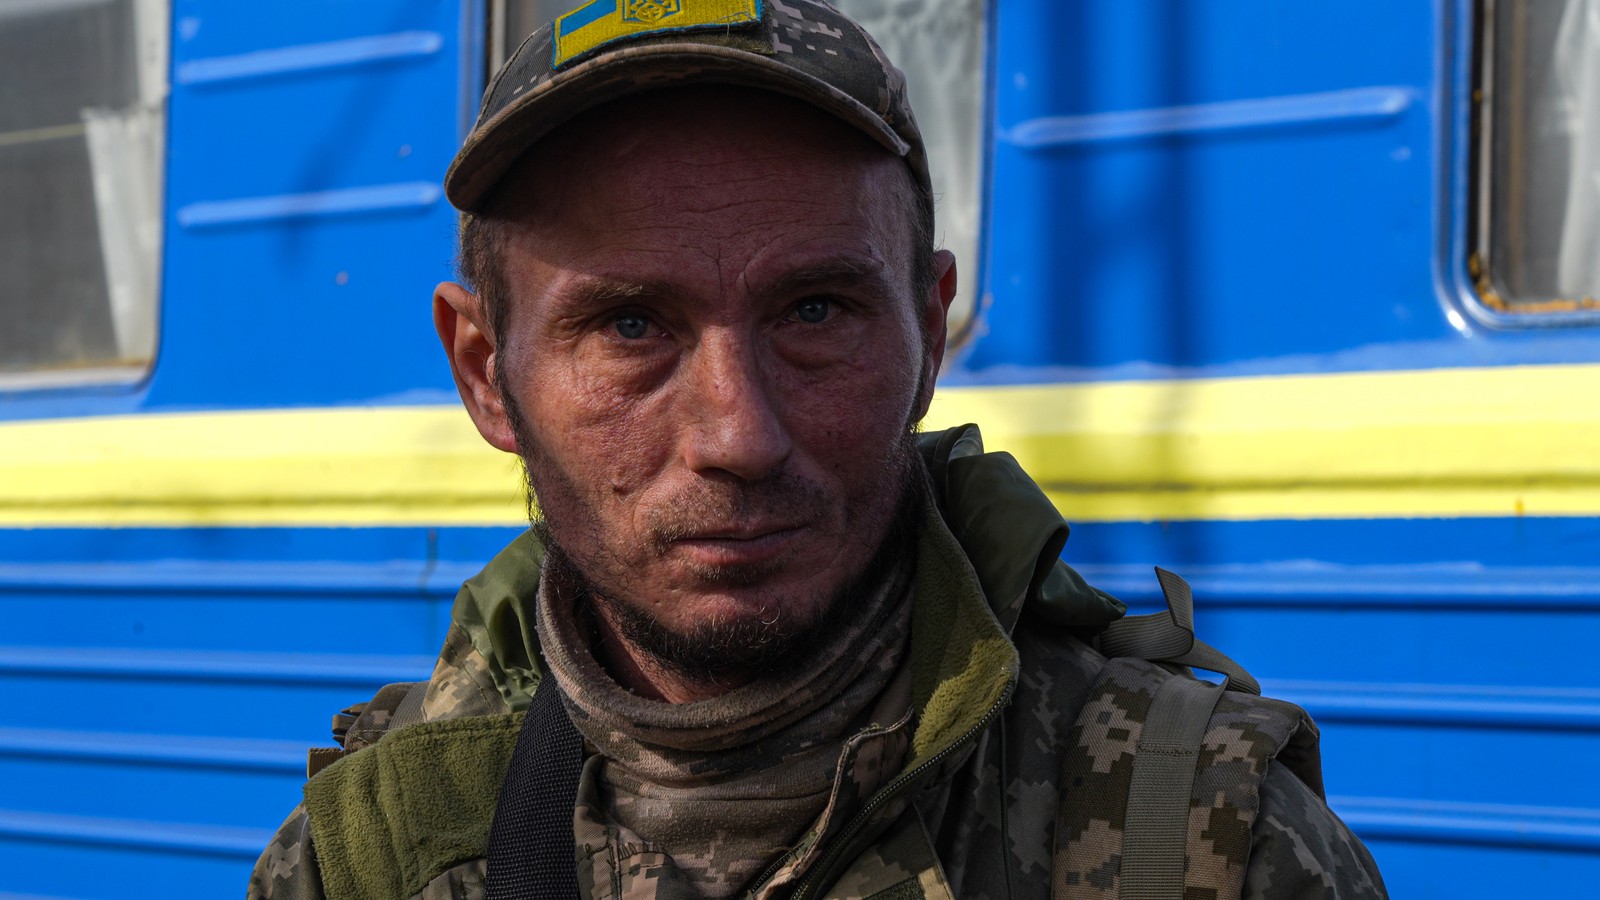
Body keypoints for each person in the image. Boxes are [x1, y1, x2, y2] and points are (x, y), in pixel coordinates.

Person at [249, 2, 1387, 898]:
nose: (738, 435)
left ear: (927, 334)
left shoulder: (1199, 841)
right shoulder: (362, 859)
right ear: (487, 374)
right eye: (631, 326)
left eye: (815, 313)